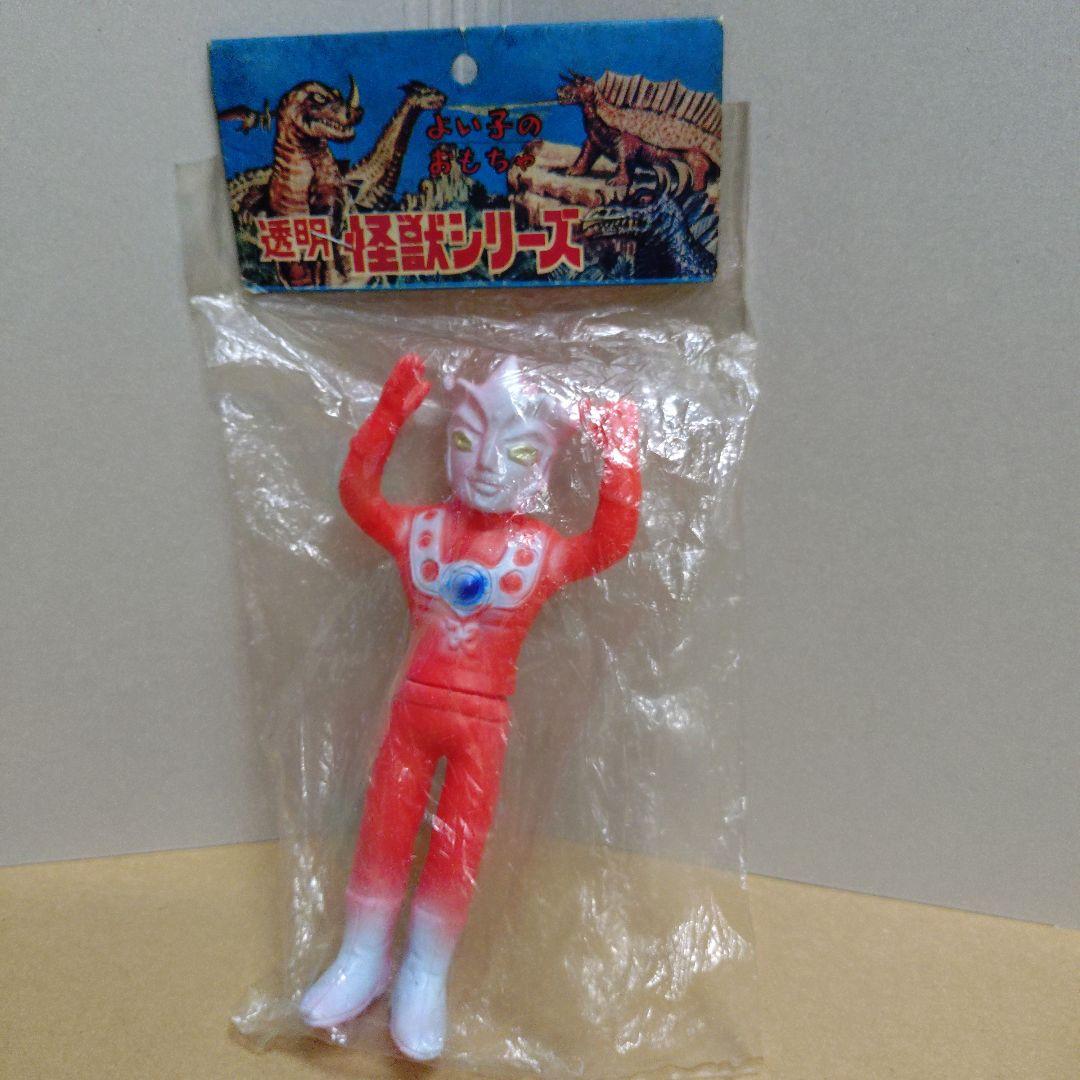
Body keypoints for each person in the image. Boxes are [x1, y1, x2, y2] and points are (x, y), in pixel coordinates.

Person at [299, 353, 640, 1060]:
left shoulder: (537, 550)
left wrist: (619, 450)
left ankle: (426, 973)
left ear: (544, 468)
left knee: (458, 849)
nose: (486, 465)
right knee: (383, 831)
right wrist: (389, 413)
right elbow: (358, 495)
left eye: (520, 451)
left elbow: (610, 542)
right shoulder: (423, 531)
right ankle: (363, 954)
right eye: (465, 439)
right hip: (410, 718)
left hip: (482, 728)